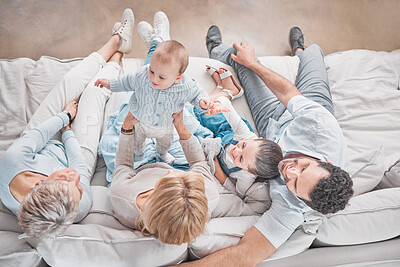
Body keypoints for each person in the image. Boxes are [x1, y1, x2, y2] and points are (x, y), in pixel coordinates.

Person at [178, 26, 353, 266]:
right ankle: (300, 50)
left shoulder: (292, 208)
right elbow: (288, 92)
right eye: (302, 167)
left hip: (271, 126)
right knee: (311, 52)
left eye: (293, 183)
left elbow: (246, 254)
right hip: (305, 107)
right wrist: (253, 63)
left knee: (236, 60)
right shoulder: (321, 127)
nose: (287, 170)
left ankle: (215, 48)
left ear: (303, 201)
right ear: (326, 161)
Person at [0, 8, 134, 238]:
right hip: (76, 152)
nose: (76, 178)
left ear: (36, 185)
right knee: (94, 93)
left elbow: (38, 136)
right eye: (81, 188)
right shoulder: (75, 208)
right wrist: (68, 133)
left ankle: (117, 41)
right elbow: (79, 167)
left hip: (42, 144)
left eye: (64, 179)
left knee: (69, 82)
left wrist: (64, 118)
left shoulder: (12, 164)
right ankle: (118, 58)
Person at [94, 11, 216, 166]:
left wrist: (202, 100)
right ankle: (139, 154)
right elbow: (126, 81)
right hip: (141, 121)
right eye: (152, 71)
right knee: (137, 142)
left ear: (177, 78)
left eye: (162, 77)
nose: (153, 79)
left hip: (165, 126)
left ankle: (162, 154)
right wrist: (110, 83)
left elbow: (197, 93)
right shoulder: (143, 75)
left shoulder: (184, 85)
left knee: (165, 144)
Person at [108, 108, 220, 245]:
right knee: (169, 114)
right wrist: (180, 127)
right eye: (182, 178)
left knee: (129, 112)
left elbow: (123, 166)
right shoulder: (207, 195)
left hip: (138, 168)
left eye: (166, 181)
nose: (169, 172)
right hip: (179, 163)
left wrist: (126, 128)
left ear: (155, 198)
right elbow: (198, 162)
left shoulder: (122, 197)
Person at [199, 66, 283, 199]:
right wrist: (217, 106)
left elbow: (235, 191)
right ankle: (229, 91)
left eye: (241, 159)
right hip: (226, 129)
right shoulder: (247, 136)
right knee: (200, 110)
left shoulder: (246, 178)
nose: (236, 152)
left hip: (215, 144)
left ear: (250, 172)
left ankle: (221, 88)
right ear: (257, 139)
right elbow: (225, 105)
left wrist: (216, 165)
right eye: (243, 145)